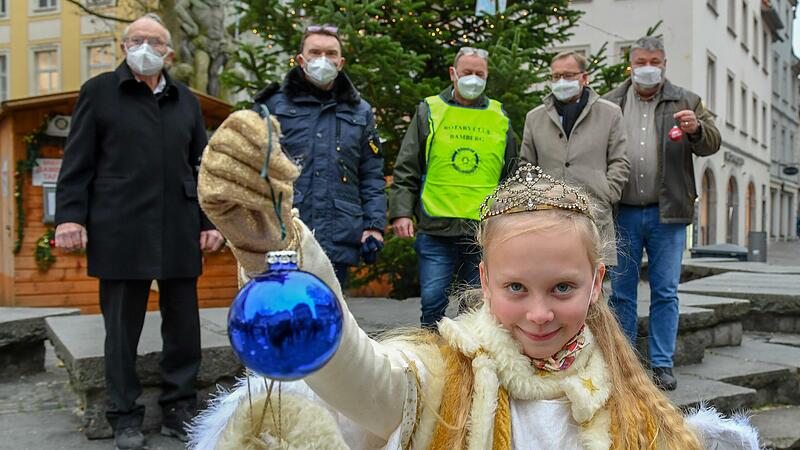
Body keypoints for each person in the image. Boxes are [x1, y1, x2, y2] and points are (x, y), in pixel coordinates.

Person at [190, 112, 758, 449]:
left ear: (598, 282)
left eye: (562, 288)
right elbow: (355, 373)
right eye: (516, 289)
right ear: (485, 281)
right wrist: (275, 248)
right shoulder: (441, 375)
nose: (539, 314)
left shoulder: (625, 393)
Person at [54, 13, 224, 450]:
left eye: (154, 41)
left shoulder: (185, 99)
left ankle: (179, 407)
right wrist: (70, 217)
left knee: (184, 328)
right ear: (124, 46)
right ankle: (124, 416)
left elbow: (201, 167)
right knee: (121, 330)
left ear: (168, 52)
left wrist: (210, 222)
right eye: (136, 39)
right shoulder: (99, 93)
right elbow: (77, 162)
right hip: (119, 227)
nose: (145, 47)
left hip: (178, 226)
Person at [603, 36, 721, 391]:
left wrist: (697, 130)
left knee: (665, 291)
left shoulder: (687, 101)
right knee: (621, 292)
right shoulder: (611, 102)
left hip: (668, 213)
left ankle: (661, 364)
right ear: (631, 64)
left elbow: (713, 141)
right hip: (622, 211)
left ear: (664, 63)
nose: (647, 68)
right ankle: (623, 363)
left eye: (654, 61)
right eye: (641, 62)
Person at [389, 47, 518, 329]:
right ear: (453, 73)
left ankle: (468, 363)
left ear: (487, 76)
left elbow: (511, 172)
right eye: (467, 72)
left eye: (479, 74)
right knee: (433, 302)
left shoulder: (499, 116)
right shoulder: (430, 110)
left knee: (476, 306)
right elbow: (408, 165)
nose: (473, 79)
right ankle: (431, 359)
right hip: (436, 226)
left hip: (482, 231)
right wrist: (401, 212)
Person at [251, 24, 386, 286]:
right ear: (301, 59)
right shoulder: (272, 105)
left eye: (330, 53)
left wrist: (374, 226)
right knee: (281, 314)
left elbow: (371, 173)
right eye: (315, 52)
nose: (323, 59)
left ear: (341, 61)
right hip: (283, 230)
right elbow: (253, 166)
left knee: (329, 316)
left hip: (339, 232)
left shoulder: (360, 110)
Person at [520, 50, 629, 265]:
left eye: (568, 75)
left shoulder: (609, 113)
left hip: (594, 211)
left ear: (584, 77)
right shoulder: (535, 117)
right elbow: (526, 164)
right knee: (550, 276)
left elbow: (620, 160)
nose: (562, 81)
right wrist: (537, 198)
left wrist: (608, 192)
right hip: (547, 214)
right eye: (556, 76)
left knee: (593, 283)